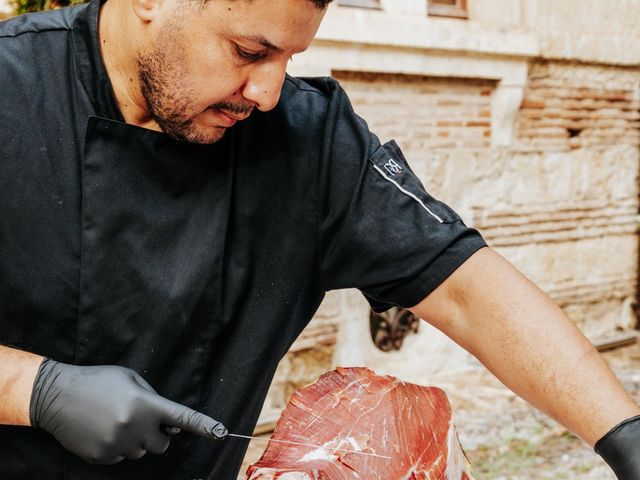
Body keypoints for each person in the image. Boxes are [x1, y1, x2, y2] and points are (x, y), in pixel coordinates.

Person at [0, 0, 638, 478]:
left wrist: (622, 432)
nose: (268, 92)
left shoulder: (308, 139)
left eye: (289, 59)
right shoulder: (12, 89)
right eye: (250, 52)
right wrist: (34, 389)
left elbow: (468, 286)